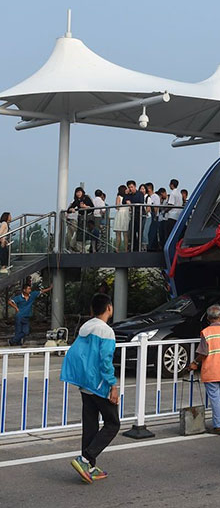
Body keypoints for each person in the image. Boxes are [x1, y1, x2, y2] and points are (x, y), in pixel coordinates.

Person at [60, 293, 119, 483]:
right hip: (98, 384)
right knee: (113, 423)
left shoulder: (85, 328)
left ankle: (90, 466)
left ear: (92, 310)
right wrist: (113, 385)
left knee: (91, 425)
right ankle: (85, 459)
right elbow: (105, 361)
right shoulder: (105, 331)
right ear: (109, 308)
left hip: (84, 384)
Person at [187, 304, 220, 435]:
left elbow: (203, 353)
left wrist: (194, 362)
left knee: (215, 398)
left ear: (208, 318)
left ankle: (219, 425)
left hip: (211, 370)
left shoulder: (206, 332)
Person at [122, 180, 144, 251]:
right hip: (132, 215)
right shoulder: (129, 195)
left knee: (139, 231)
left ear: (135, 186)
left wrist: (131, 204)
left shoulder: (140, 194)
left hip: (139, 215)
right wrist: (126, 195)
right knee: (132, 232)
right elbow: (123, 202)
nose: (131, 189)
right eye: (129, 187)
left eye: (132, 187)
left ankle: (140, 247)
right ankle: (134, 247)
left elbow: (141, 202)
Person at [112, 185, 129, 252]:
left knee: (118, 233)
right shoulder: (128, 197)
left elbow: (117, 207)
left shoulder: (119, 197)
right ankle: (126, 249)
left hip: (120, 214)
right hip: (126, 214)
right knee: (125, 234)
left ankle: (117, 248)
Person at [145, 183, 161, 251]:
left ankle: (151, 246)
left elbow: (156, 207)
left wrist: (155, 215)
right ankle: (154, 247)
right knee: (151, 232)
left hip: (154, 216)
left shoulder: (155, 196)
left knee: (152, 232)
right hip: (150, 216)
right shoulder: (148, 197)